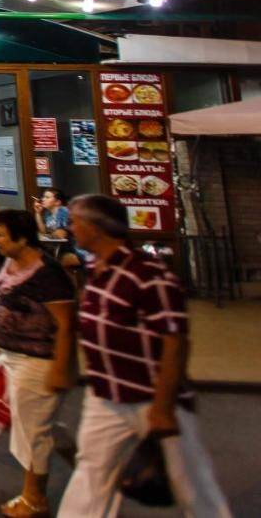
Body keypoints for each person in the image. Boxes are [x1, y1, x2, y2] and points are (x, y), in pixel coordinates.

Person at [58, 194, 229, 517]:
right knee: (92, 472)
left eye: (75, 221)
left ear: (96, 227)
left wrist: (163, 407)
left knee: (189, 481)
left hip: (151, 395)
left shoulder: (148, 274)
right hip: (106, 395)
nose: (71, 228)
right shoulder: (97, 270)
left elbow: (174, 341)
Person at [0, 209, 77, 518]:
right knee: (30, 422)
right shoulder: (9, 262)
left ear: (23, 238)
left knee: (33, 431)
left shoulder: (48, 273)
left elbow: (67, 323)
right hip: (13, 357)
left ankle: (34, 499)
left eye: (0, 234)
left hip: (39, 360)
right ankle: (85, 463)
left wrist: (62, 367)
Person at [32, 187, 83, 270]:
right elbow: (44, 231)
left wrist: (49, 234)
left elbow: (61, 235)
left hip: (76, 250)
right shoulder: (48, 214)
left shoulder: (63, 211)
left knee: (50, 263)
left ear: (57, 202)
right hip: (62, 249)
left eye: (47, 197)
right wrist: (38, 213)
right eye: (43, 197)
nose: (43, 199)